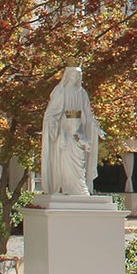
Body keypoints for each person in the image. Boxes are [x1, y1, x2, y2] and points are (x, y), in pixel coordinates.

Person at [40, 67, 103, 196]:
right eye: (73, 74)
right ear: (67, 75)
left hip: (79, 133)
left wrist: (96, 128)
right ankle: (65, 187)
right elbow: (51, 114)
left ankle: (79, 188)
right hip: (64, 133)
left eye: (78, 74)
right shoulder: (60, 91)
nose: (75, 77)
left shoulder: (82, 93)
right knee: (65, 162)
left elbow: (88, 114)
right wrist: (53, 125)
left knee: (80, 163)